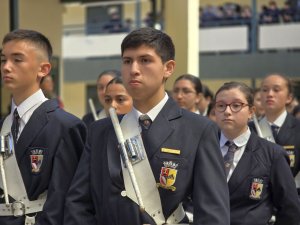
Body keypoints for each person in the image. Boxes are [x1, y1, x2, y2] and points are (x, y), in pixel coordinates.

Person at [64, 27, 230, 225]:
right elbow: (78, 203)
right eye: (127, 61)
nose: (133, 69)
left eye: (145, 60)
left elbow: (213, 213)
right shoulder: (100, 131)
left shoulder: (197, 129)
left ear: (168, 68)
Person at [0, 29, 87, 225]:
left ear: (43, 69)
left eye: (17, 60)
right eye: (3, 59)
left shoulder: (66, 126)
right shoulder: (3, 126)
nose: (6, 67)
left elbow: (67, 200)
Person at [214, 81, 300, 225]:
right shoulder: (203, 148)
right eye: (221, 106)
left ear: (251, 112)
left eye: (236, 105)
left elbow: (289, 209)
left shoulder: (272, 154)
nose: (227, 111)